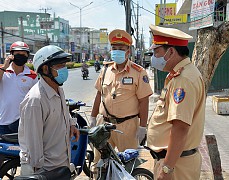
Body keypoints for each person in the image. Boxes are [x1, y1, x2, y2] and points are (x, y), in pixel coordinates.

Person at [146, 24, 206, 180]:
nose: (153, 56)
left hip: (176, 166)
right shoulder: (179, 76)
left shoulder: (183, 80)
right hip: (175, 161)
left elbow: (180, 128)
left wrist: (166, 169)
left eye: (156, 51)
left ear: (171, 51)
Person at [89, 29, 153, 175]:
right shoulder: (105, 70)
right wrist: (93, 117)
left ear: (128, 51)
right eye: (114, 48)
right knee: (99, 165)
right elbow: (99, 94)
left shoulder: (138, 72)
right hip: (103, 126)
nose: (116, 51)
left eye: (121, 49)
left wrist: (143, 127)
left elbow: (144, 101)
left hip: (127, 126)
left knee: (128, 167)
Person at [18, 45, 80, 175]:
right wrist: (41, 175)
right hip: (47, 170)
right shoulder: (35, 101)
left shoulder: (58, 89)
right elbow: (33, 146)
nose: (64, 69)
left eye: (65, 65)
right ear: (45, 69)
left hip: (62, 164)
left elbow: (63, 110)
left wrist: (71, 124)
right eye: (59, 65)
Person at [0, 41, 38, 135]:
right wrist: (5, 66)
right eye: (17, 54)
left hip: (22, 122)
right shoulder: (2, 71)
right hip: (2, 122)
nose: (20, 56)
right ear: (11, 55)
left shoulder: (32, 75)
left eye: (23, 54)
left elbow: (36, 98)